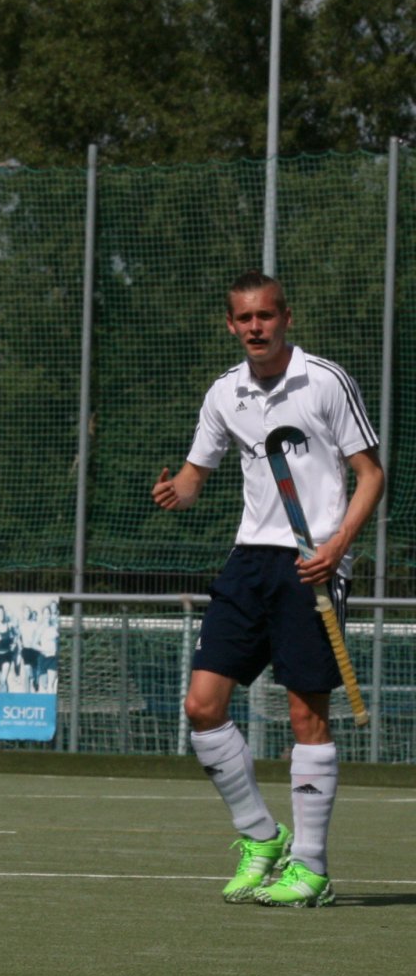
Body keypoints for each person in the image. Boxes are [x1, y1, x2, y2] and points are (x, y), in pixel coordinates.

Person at [152, 271, 382, 908]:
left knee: (306, 717)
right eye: (245, 318)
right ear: (231, 325)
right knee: (202, 705)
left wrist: (336, 547)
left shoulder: (325, 381)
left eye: (266, 316)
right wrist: (178, 493)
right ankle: (261, 836)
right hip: (249, 560)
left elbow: (370, 474)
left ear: (286, 318)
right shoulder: (224, 392)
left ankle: (311, 868)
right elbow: (197, 473)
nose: (256, 327)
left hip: (311, 565)